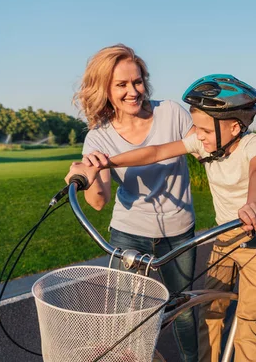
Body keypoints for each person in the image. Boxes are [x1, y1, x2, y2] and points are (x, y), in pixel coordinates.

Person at [67, 74, 256, 362]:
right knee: (208, 310)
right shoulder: (203, 143)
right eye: (198, 129)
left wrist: (254, 205)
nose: (197, 134)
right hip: (225, 235)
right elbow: (154, 152)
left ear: (233, 126)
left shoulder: (252, 143)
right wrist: (109, 160)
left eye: (204, 129)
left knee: (249, 317)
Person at [69, 43, 198, 361]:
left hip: (178, 231)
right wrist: (88, 172)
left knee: (182, 307)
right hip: (129, 232)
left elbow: (204, 145)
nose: (132, 91)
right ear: (106, 90)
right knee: (128, 319)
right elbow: (98, 201)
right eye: (122, 85)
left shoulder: (171, 112)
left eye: (137, 81)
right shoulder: (99, 136)